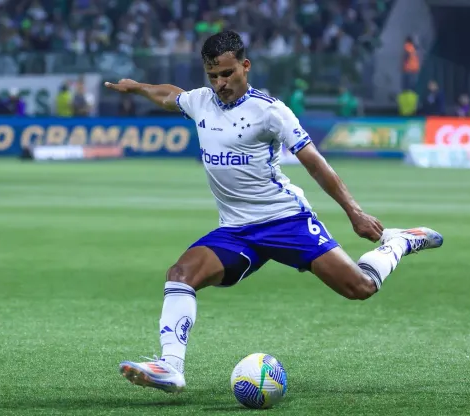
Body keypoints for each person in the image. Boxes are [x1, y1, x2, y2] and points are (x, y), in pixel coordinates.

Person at [104, 31, 444, 394]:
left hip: (285, 221)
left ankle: (400, 242)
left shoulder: (270, 111)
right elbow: (170, 95)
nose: (220, 84)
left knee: (359, 288)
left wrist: (355, 213)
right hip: (235, 230)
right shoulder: (200, 101)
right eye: (212, 76)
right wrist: (138, 86)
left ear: (245, 67)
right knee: (180, 273)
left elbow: (316, 164)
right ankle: (170, 367)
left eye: (227, 74)